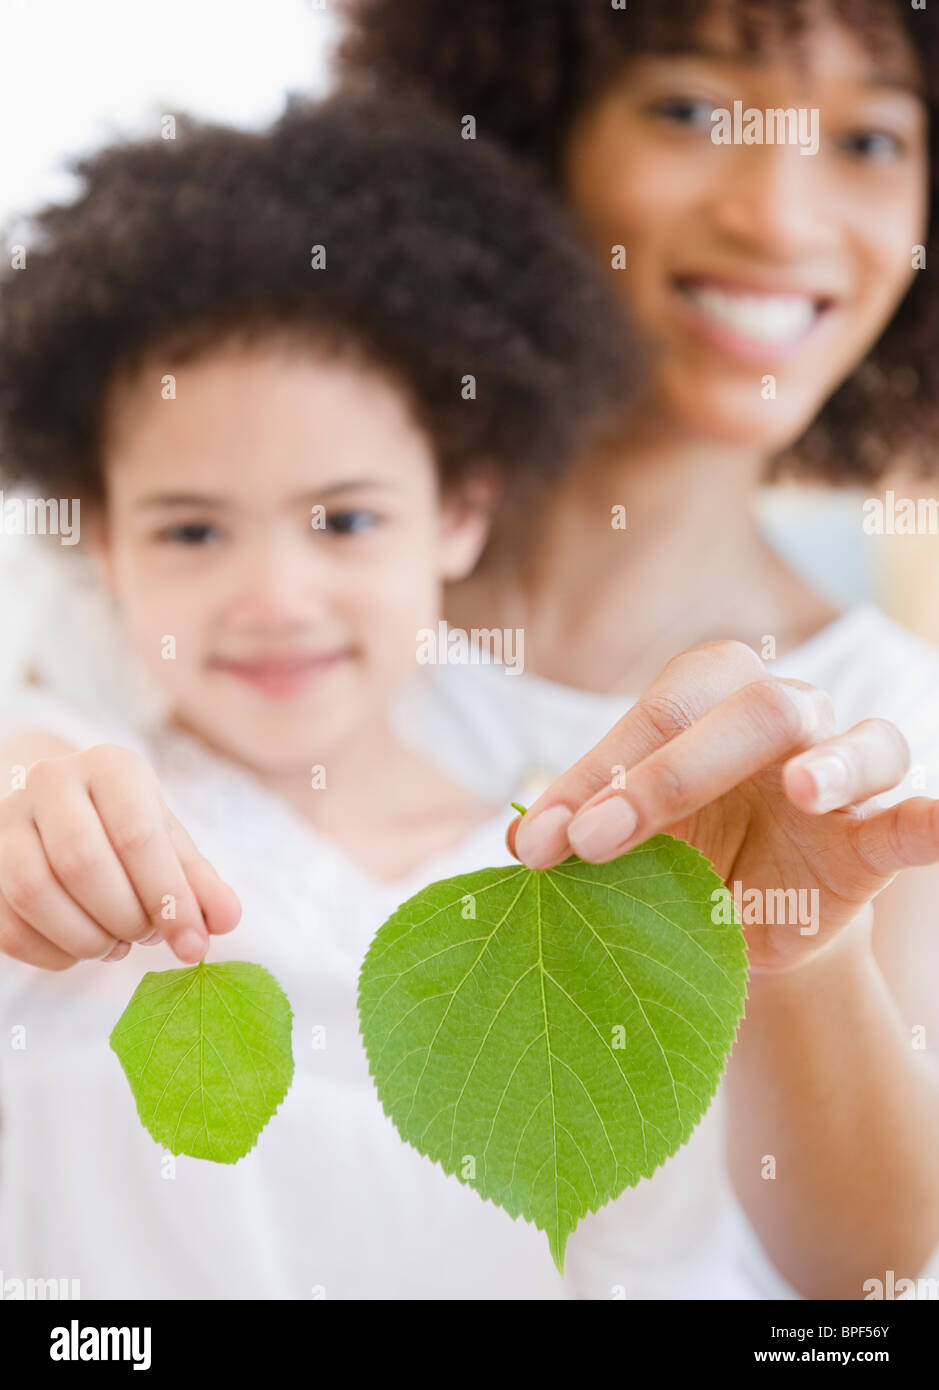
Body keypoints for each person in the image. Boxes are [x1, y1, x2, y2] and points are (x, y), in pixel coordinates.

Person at [338, 0, 939, 1297]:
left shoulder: (880, 730)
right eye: (691, 109)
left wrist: (802, 946)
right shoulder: (260, 598)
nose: (777, 217)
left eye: (871, 140)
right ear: (521, 138)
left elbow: (877, 1285)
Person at [0, 94, 631, 1298]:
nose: (276, 597)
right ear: (100, 543)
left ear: (459, 512)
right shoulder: (77, 829)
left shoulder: (563, 853)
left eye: (344, 519)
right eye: (191, 530)